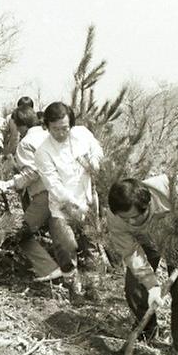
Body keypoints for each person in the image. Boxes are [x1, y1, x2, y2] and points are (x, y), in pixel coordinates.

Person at [107, 176, 178, 355]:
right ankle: (147, 331)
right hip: (144, 241)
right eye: (125, 219)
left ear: (147, 205)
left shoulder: (168, 188)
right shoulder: (115, 219)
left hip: (177, 236)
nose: (130, 222)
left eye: (135, 217)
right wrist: (152, 285)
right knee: (135, 288)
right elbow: (131, 253)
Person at [34, 102, 103, 296]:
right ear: (47, 126)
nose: (61, 133)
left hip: (88, 200)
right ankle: (73, 287)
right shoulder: (43, 151)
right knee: (66, 246)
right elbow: (53, 185)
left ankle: (93, 287)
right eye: (55, 129)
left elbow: (96, 148)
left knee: (91, 245)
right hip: (62, 207)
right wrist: (74, 204)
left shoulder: (81, 134)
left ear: (70, 124)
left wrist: (94, 162)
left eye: (65, 128)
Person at [0, 106, 62, 281]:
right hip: (64, 191)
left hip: (45, 194)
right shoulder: (50, 135)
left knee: (19, 234)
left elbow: (32, 173)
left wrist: (8, 184)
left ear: (19, 125)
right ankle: (71, 277)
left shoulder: (26, 143)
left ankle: (49, 269)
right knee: (61, 236)